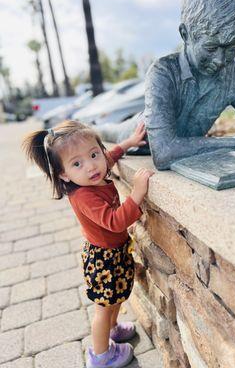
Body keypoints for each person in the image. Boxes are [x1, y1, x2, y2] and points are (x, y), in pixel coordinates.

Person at [98, 0, 235, 171]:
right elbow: (165, 153)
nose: (220, 60)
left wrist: (217, 145)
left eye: (231, 48)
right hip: (139, 134)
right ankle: (91, 128)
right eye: (211, 48)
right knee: (105, 131)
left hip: (186, 143)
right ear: (186, 34)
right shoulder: (163, 72)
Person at [22, 120, 154, 368]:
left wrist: (127, 143)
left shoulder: (92, 175)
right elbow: (115, 221)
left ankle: (113, 330)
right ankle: (101, 355)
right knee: (103, 308)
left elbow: (108, 158)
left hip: (114, 253)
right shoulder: (83, 195)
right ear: (63, 174)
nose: (91, 166)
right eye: (77, 163)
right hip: (103, 259)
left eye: (94, 154)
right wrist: (137, 192)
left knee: (115, 299)